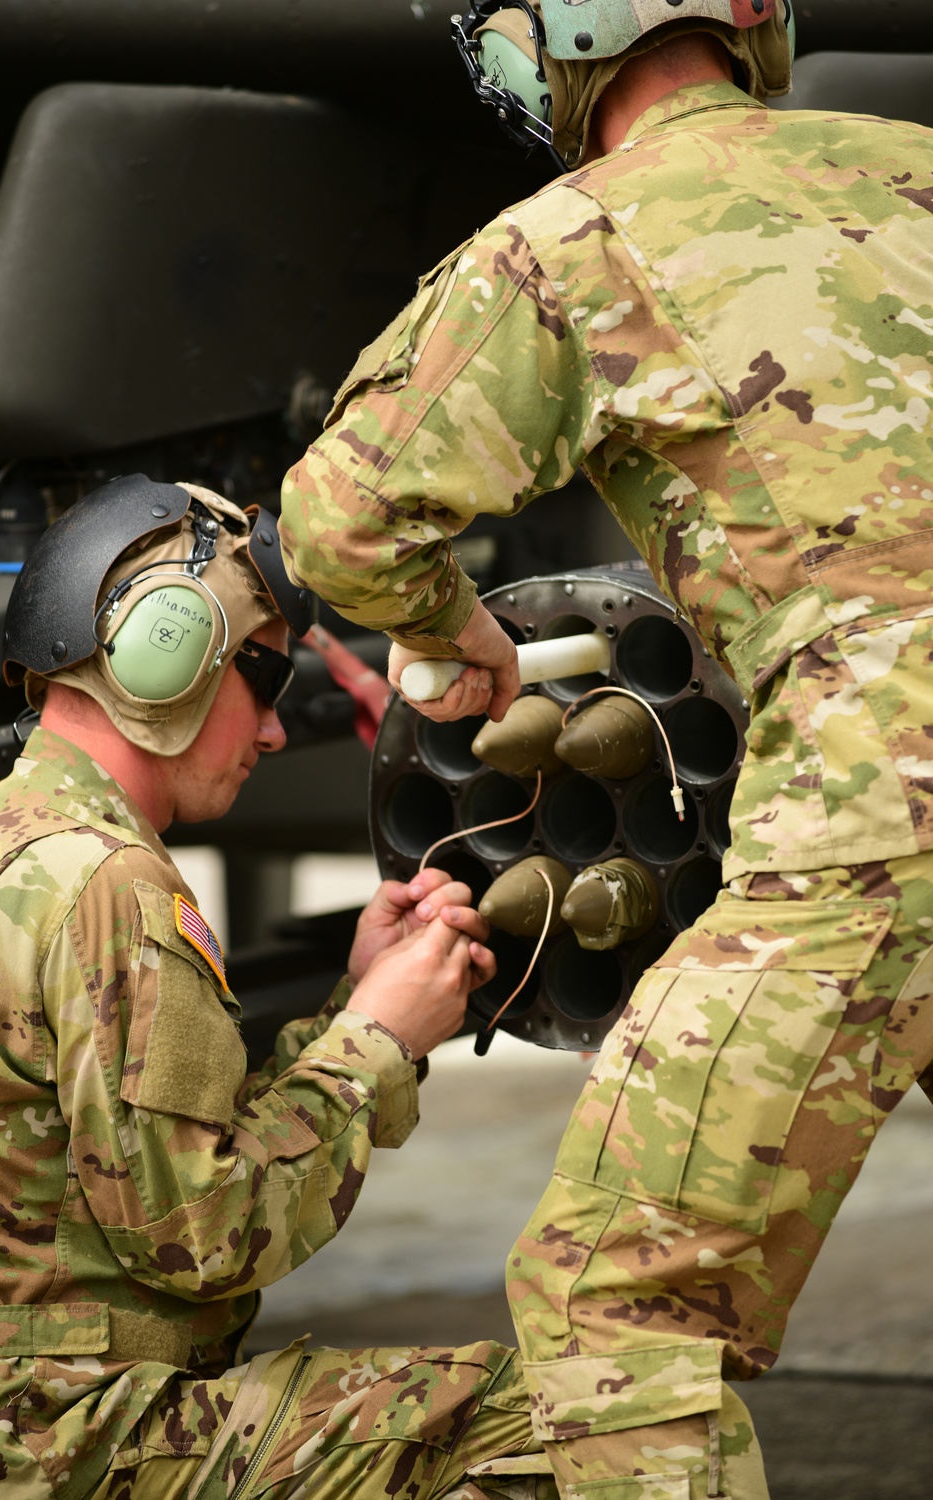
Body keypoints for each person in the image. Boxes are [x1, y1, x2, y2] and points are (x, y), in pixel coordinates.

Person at [279, 3, 933, 1496]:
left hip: (881, 810)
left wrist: (452, 630)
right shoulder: (912, 163)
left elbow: (342, 520)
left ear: (541, 54)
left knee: (617, 1311)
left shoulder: (573, 238)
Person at [0, 473, 559, 1500]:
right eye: (262, 679)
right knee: (560, 1420)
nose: (273, 733)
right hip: (55, 1440)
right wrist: (377, 1043)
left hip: (0, 1424)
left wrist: (350, 998)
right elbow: (204, 1235)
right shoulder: (110, 885)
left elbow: (147, 1155)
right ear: (163, 659)